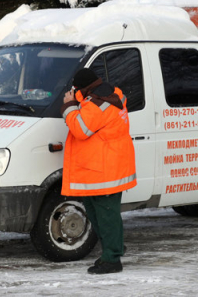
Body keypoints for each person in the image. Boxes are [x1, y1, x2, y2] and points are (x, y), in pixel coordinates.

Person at [61, 67, 136, 275]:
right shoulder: (104, 94)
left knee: (107, 216)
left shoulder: (98, 104)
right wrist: (77, 99)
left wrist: (68, 107)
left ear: (84, 88)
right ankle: (114, 248)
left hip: (106, 170)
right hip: (101, 169)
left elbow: (80, 129)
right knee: (98, 213)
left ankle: (112, 259)